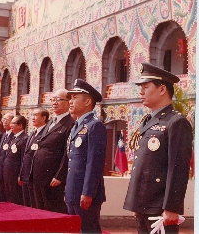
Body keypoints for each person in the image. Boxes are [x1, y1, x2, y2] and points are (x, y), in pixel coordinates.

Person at [124, 62, 193, 234]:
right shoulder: (149, 121)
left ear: (162, 89)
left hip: (160, 207)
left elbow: (178, 169)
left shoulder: (176, 122)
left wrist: (172, 208)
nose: (141, 92)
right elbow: (144, 164)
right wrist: (136, 202)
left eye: (145, 87)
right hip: (144, 205)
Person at [64, 78, 107, 233]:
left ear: (88, 101)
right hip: (73, 191)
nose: (70, 101)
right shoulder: (77, 126)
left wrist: (88, 192)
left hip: (85, 194)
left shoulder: (95, 125)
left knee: (89, 230)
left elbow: (94, 163)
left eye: (75, 97)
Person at [32, 88, 75, 213]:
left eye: (59, 99)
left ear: (68, 103)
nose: (54, 102)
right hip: (40, 174)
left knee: (53, 210)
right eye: (53, 99)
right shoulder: (51, 121)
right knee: (40, 209)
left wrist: (59, 176)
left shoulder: (70, 124)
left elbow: (67, 153)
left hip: (53, 178)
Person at [19, 108, 49, 208]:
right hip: (26, 174)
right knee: (28, 203)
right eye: (32, 115)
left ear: (44, 118)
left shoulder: (46, 133)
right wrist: (21, 174)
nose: (32, 118)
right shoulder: (32, 133)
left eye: (35, 115)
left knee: (37, 204)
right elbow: (26, 155)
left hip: (36, 175)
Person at [3, 115, 28, 205]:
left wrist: (20, 175)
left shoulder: (24, 139)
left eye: (13, 123)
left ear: (20, 125)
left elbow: (23, 159)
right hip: (8, 173)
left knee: (16, 198)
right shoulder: (13, 137)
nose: (11, 125)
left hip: (15, 174)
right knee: (9, 196)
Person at [0, 112, 14, 202]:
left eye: (7, 119)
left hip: (7, 171)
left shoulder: (14, 135)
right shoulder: (4, 135)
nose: (4, 121)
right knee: (0, 196)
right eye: (3, 119)